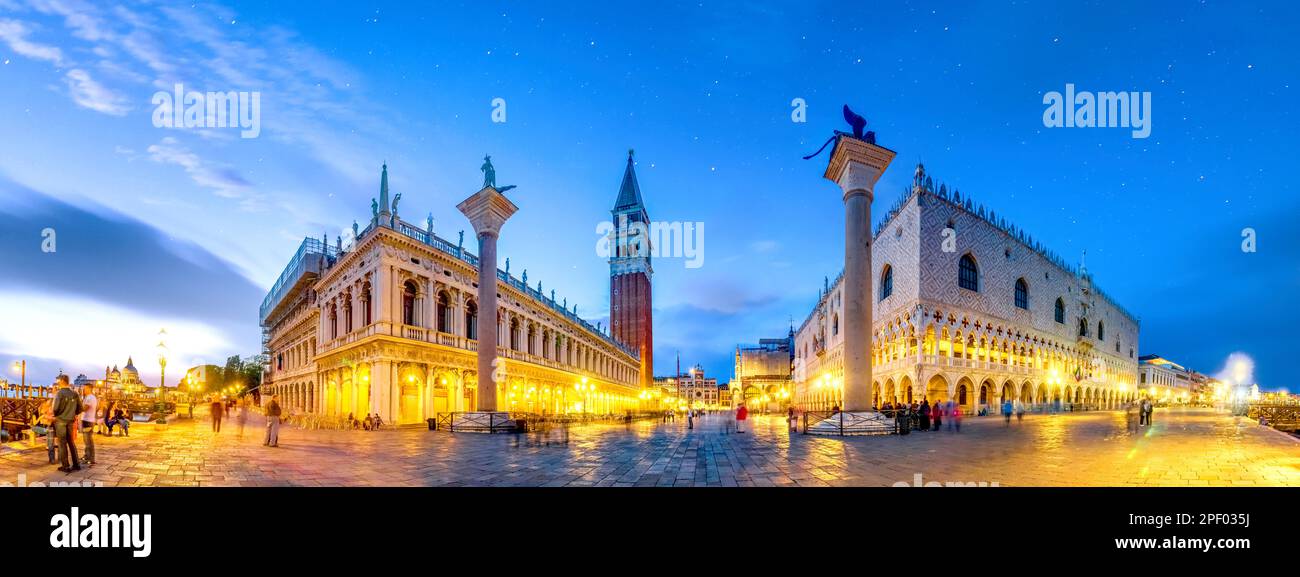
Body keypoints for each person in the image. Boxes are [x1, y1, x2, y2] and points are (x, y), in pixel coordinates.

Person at [51, 375, 82, 473]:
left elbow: (55, 408)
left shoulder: (59, 393)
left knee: (62, 443)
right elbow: (80, 408)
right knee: (71, 442)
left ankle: (66, 466)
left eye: (59, 380)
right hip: (70, 420)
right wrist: (73, 413)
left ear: (62, 381)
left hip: (61, 420)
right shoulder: (75, 393)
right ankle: (76, 464)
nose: (58, 382)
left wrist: (56, 414)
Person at [79, 382, 98, 466]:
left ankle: (91, 458)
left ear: (90, 388)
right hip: (87, 420)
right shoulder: (89, 397)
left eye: (85, 388)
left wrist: (77, 407)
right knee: (86, 440)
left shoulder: (90, 398)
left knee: (88, 441)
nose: (84, 390)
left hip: (88, 421)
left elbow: (85, 408)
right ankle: (87, 456)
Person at [37, 395, 56, 464]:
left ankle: (52, 459)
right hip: (49, 426)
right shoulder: (45, 407)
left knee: (50, 444)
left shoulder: (51, 408)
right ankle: (51, 459)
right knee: (49, 443)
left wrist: (45, 416)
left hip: (51, 426)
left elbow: (53, 418)